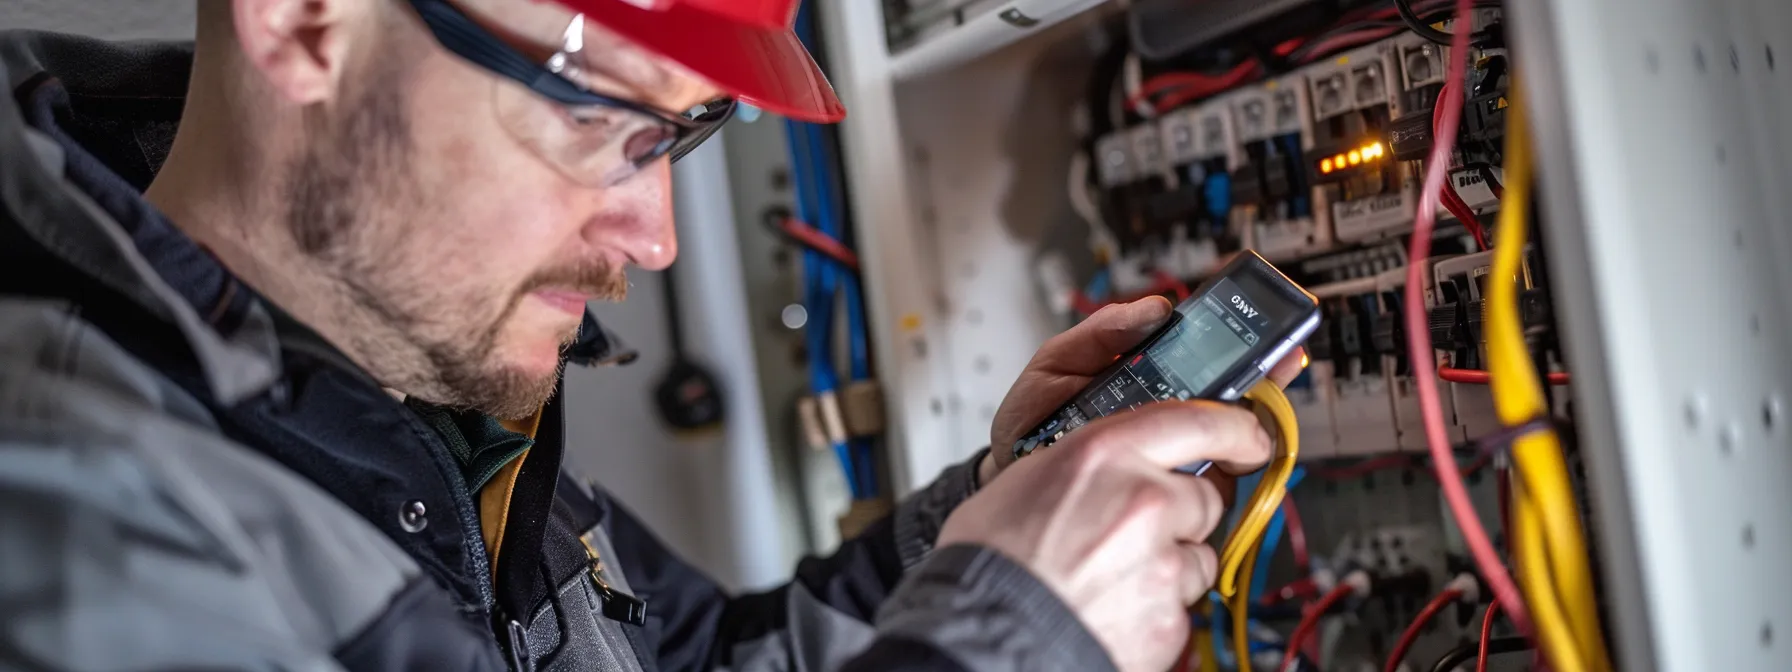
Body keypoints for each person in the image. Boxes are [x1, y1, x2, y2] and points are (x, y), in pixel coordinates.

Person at [0, 0, 1300, 670]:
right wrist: (1006, 639)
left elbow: (701, 660)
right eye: (599, 119)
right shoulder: (63, 511)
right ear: (303, 23)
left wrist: (978, 533)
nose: (657, 237)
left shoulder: (419, 397)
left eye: (681, 138)